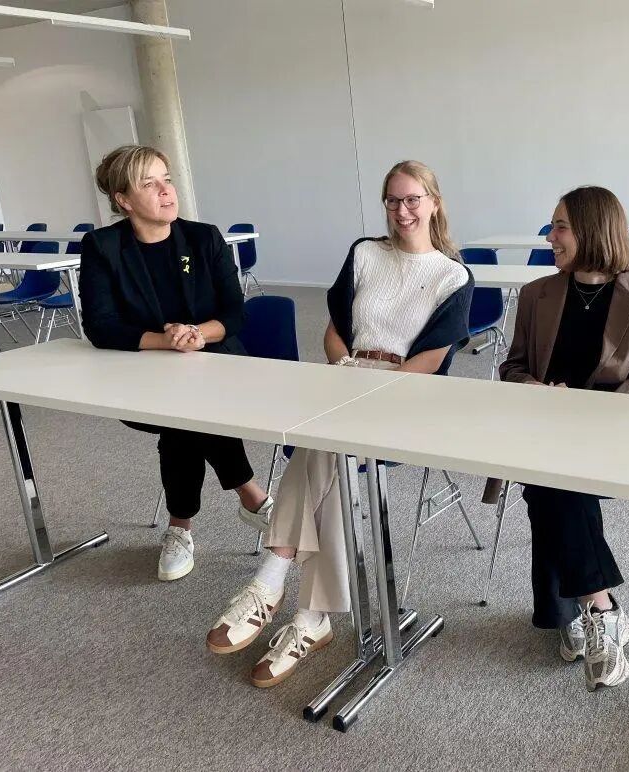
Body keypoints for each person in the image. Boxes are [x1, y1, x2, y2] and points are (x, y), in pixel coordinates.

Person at [206, 160, 472, 687]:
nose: (402, 210)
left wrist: (373, 390)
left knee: (324, 445)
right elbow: (334, 331)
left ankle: (271, 578)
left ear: (434, 203)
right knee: (330, 452)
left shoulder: (453, 276)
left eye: (412, 199)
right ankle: (312, 617)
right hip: (346, 378)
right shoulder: (365, 253)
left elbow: (431, 359)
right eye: (392, 200)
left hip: (404, 395)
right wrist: (345, 370)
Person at [499, 185, 629, 692]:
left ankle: (582, 609)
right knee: (551, 475)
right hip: (546, 429)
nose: (550, 237)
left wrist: (580, 409)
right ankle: (600, 606)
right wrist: (536, 390)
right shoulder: (537, 294)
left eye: (560, 227)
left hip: (614, 432)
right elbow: (512, 367)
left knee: (548, 481)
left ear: (593, 231)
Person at [79, 144, 273, 582]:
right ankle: (252, 495)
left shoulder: (204, 238)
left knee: (183, 419)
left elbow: (235, 313)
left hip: (216, 363)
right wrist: (165, 342)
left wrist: (198, 335)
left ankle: (180, 526)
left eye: (167, 179)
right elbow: (101, 326)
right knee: (182, 412)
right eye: (150, 184)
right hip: (142, 375)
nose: (166, 191)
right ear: (124, 200)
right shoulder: (103, 247)